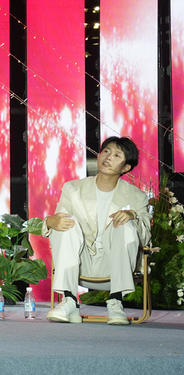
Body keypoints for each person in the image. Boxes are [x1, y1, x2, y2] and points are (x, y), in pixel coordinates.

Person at [43, 136, 151, 325]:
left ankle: (116, 301)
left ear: (126, 167)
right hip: (80, 260)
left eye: (117, 155)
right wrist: (50, 221)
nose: (108, 157)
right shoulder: (72, 188)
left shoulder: (137, 196)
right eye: (106, 151)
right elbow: (59, 219)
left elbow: (146, 237)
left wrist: (133, 216)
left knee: (124, 223)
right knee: (66, 222)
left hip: (116, 263)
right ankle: (69, 300)